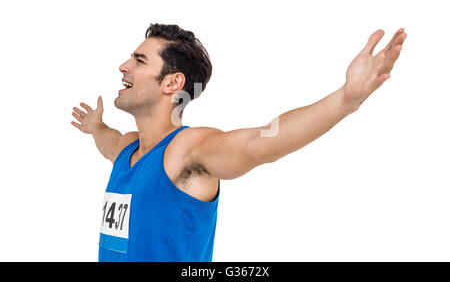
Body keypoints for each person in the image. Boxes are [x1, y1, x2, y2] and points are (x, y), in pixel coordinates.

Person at [71, 23, 407, 262]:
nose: (123, 66)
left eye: (139, 60)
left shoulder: (188, 150)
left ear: (173, 82)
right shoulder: (127, 149)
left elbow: (261, 142)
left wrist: (343, 101)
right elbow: (107, 140)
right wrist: (95, 126)